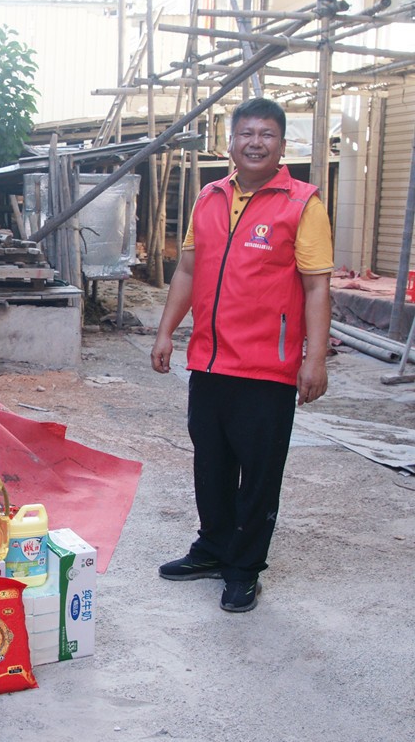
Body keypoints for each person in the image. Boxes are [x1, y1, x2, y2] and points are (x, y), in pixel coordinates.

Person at [150, 97, 333, 613]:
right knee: (210, 463)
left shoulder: (302, 203)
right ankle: (212, 548)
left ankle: (244, 567)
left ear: (281, 145)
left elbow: (317, 288)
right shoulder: (209, 197)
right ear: (229, 142)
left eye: (268, 134)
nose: (256, 142)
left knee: (258, 472)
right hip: (208, 362)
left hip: (266, 368)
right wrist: (167, 332)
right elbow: (187, 270)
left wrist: (313, 358)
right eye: (246, 132)